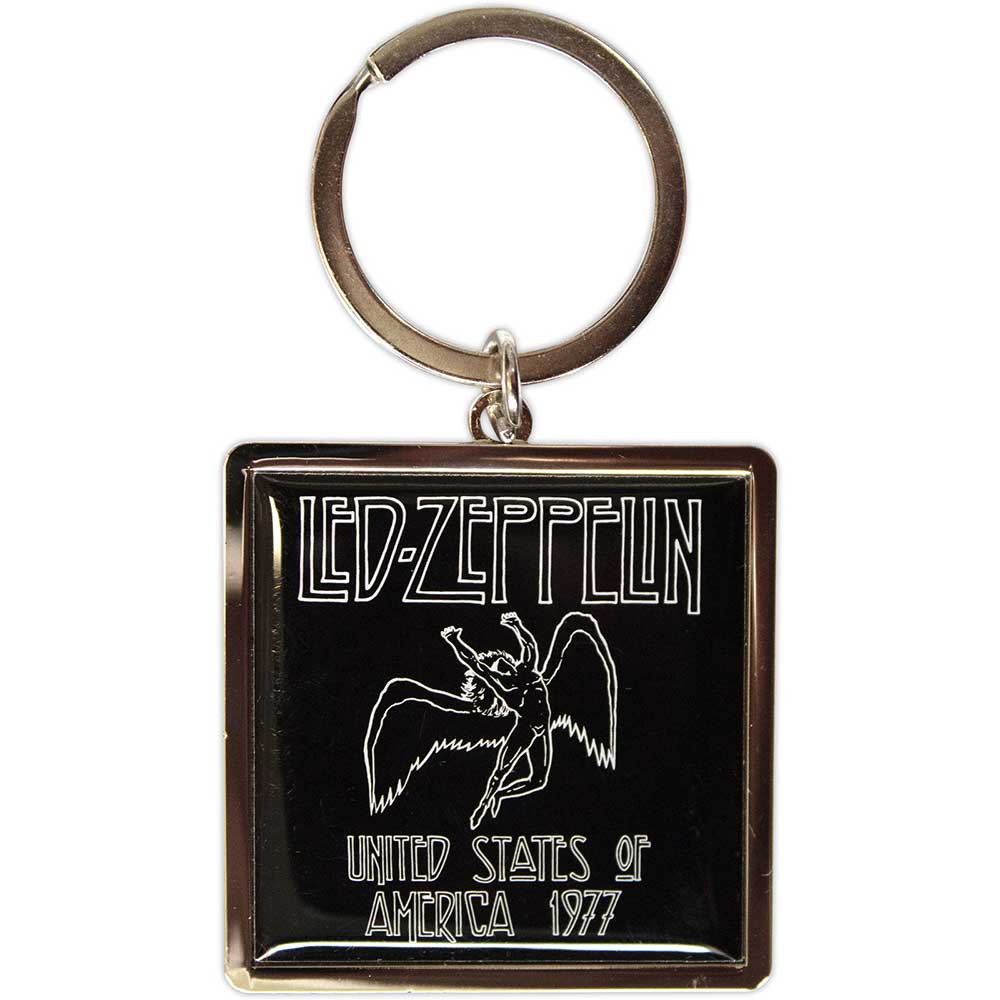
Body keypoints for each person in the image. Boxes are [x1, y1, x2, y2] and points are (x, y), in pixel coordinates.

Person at [440, 612, 553, 829]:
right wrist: (454, 640)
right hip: (527, 729)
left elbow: (530, 645)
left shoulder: (527, 671)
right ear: (501, 674)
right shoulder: (506, 689)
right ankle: (484, 804)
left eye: (505, 662)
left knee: (538, 780)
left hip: (542, 729)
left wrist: (516, 625)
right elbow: (474, 663)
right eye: (500, 667)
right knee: (501, 771)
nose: (504, 663)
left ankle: (501, 794)